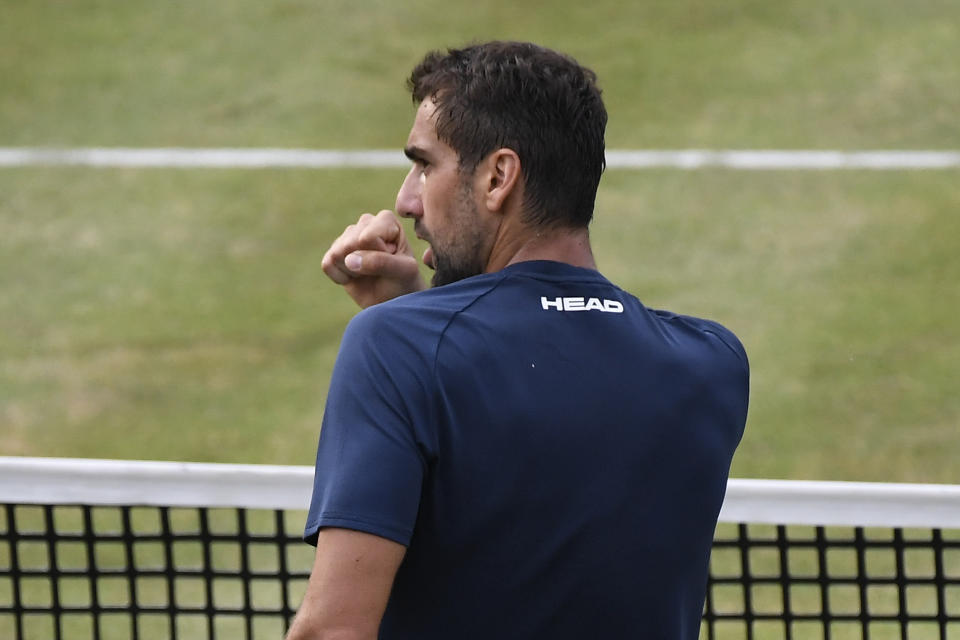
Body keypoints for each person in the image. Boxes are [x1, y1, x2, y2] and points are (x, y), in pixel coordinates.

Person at [286, 41, 749, 640]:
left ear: (498, 177)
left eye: (425, 165)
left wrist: (407, 325)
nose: (405, 201)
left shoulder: (397, 348)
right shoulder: (710, 363)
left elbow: (333, 631)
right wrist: (415, 315)